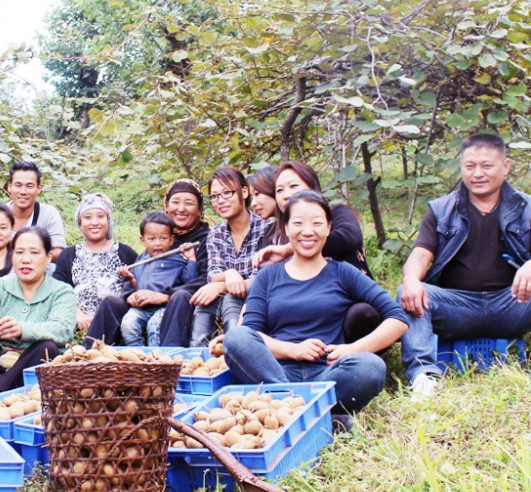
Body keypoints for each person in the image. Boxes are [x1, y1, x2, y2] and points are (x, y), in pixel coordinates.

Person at [399, 133, 531, 397]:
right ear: (462, 167)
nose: (478, 174)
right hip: (457, 307)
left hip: (513, 303)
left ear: (505, 166)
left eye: (486, 166)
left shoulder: (527, 207)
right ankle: (423, 376)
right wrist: (411, 279)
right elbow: (420, 254)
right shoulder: (442, 209)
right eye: (470, 166)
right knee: (408, 290)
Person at [223, 191, 408, 423]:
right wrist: (294, 350)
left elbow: (398, 318)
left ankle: (285, 412)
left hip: (328, 373)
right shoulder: (268, 276)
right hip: (275, 371)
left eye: (317, 223)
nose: (308, 231)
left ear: (328, 228)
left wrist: (353, 349)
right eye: (298, 223)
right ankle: (315, 415)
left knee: (371, 366)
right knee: (236, 337)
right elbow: (252, 333)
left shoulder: (342, 272)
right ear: (287, 228)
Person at [253, 161, 379, 344]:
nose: (286, 195)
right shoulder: (273, 236)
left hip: (345, 310)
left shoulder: (337, 213)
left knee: (363, 314)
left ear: (312, 187)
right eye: (279, 190)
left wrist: (291, 247)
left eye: (293, 186)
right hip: (300, 316)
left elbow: (348, 238)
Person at [83, 179, 210, 346]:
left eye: (189, 203)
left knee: (180, 297)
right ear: (166, 205)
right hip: (145, 306)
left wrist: (165, 296)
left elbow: (206, 279)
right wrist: (131, 294)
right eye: (175, 202)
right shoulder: (158, 236)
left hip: (178, 304)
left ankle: (167, 359)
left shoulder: (205, 239)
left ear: (200, 208)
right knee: (111, 302)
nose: (181, 209)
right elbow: (143, 270)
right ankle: (87, 355)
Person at [0, 227, 77, 393]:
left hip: (33, 363)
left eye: (34, 253)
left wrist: (22, 329)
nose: (25, 259)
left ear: (48, 257)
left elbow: (62, 329)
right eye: (19, 252)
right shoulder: (2, 285)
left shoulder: (62, 291)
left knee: (47, 348)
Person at [165, 167, 272, 347]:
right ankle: (198, 356)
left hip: (257, 297)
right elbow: (213, 272)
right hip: (225, 297)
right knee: (204, 299)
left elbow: (264, 276)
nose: (220, 200)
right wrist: (228, 274)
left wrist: (222, 284)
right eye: (214, 196)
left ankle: (235, 353)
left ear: (244, 192)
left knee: (227, 297)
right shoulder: (217, 233)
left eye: (227, 193)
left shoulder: (266, 227)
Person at [53, 193, 137, 330]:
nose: (94, 222)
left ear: (108, 220)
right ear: (79, 224)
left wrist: (131, 280)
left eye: (100, 216)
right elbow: (57, 291)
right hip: (78, 322)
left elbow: (140, 285)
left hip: (116, 321)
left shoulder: (125, 253)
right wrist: (77, 314)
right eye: (87, 217)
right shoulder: (68, 255)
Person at [119, 213, 197, 345]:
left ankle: (156, 358)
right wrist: (130, 280)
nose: (158, 243)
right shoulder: (140, 261)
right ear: (142, 240)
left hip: (164, 307)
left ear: (171, 240)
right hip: (141, 309)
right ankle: (137, 354)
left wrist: (191, 259)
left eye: (163, 238)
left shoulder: (177, 260)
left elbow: (190, 280)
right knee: (128, 325)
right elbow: (136, 286)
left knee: (155, 326)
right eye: (152, 239)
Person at [0, 161, 66, 261]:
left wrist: (26, 258)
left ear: (38, 188)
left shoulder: (49, 214)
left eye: (29, 186)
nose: (23, 192)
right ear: (9, 187)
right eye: (18, 185)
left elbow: (58, 252)